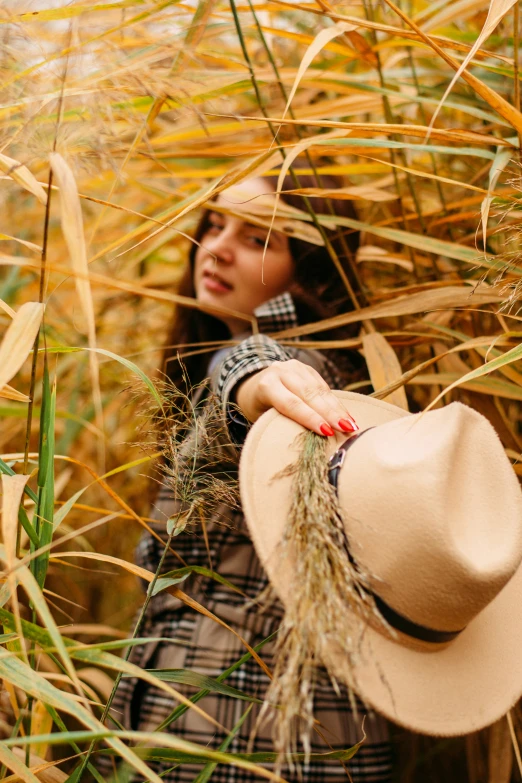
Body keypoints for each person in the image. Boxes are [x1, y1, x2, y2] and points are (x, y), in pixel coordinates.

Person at [105, 167, 394, 782]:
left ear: (310, 269)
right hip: (221, 711)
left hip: (249, 731)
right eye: (215, 223)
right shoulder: (223, 360)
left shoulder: (319, 377)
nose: (218, 246)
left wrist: (252, 377)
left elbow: (269, 377)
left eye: (259, 237)